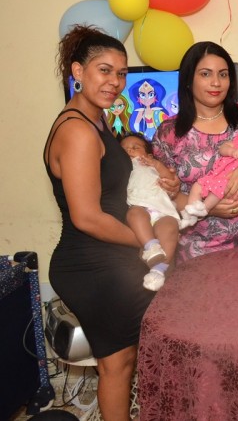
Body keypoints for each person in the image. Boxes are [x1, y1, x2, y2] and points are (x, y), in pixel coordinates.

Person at [44, 26, 156, 420]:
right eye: (104, 70)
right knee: (117, 364)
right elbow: (88, 217)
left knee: (125, 359)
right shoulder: (77, 130)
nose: (115, 82)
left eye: (121, 73)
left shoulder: (98, 120)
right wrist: (147, 243)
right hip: (91, 264)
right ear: (78, 71)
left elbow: (116, 191)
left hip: (112, 255)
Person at [152, 41, 238, 261]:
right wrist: (208, 208)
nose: (216, 82)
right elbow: (162, 194)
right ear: (188, 79)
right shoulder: (169, 132)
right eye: (205, 74)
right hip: (198, 253)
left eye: (223, 74)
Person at [120, 132, 180, 292]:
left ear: (149, 155)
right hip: (139, 207)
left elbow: (169, 179)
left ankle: (159, 270)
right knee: (134, 214)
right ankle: (151, 246)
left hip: (161, 209)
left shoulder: (152, 165)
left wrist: (157, 165)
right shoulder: (123, 168)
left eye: (135, 148)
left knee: (170, 226)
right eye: (124, 149)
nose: (129, 151)